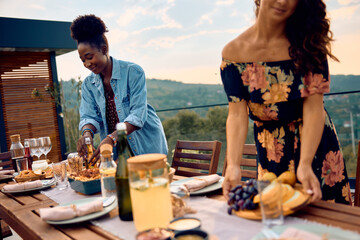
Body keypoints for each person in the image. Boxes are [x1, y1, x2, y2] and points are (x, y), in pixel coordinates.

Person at [220, 0, 352, 204]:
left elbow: (314, 109)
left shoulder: (309, 44)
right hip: (271, 150)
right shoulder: (233, 54)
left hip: (316, 146)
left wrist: (305, 163)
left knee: (325, 220)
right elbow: (237, 114)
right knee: (276, 216)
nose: (283, 1)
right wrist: (233, 165)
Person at [70, 14, 168, 164]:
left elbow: (137, 116)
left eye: (89, 57)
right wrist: (87, 135)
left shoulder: (133, 72)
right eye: (82, 60)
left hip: (146, 145)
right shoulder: (88, 85)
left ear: (104, 49)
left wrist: (112, 138)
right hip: (116, 151)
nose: (87, 64)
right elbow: (89, 116)